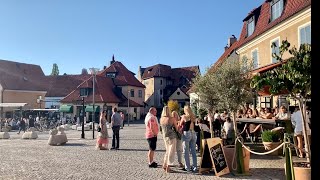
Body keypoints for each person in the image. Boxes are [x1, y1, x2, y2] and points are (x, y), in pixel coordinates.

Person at [160, 106, 178, 173]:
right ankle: (168, 166)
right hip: (172, 137)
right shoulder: (172, 118)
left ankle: (164, 165)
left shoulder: (161, 119)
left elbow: (161, 129)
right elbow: (177, 128)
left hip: (165, 137)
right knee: (171, 151)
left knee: (167, 151)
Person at [180, 105, 198, 172]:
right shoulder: (193, 117)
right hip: (193, 133)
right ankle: (195, 167)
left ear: (185, 110)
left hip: (187, 133)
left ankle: (187, 167)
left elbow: (180, 124)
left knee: (186, 151)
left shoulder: (184, 117)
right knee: (193, 151)